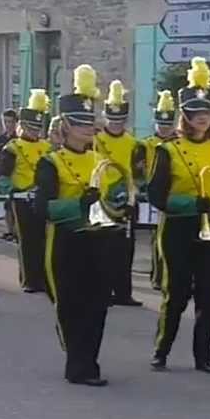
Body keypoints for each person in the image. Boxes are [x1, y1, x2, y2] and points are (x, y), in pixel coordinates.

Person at [35, 65, 121, 387]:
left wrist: (122, 201)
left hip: (99, 240)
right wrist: (79, 204)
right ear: (66, 125)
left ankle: (89, 362)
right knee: (71, 304)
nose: (89, 128)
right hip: (66, 241)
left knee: (98, 305)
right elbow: (42, 207)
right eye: (81, 123)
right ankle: (77, 362)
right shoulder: (50, 162)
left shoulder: (102, 160)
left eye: (91, 122)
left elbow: (115, 199)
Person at [147, 58, 210, 374]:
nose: (202, 119)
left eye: (206, 113)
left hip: (209, 231)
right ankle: (162, 349)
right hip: (178, 230)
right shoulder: (168, 150)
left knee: (208, 296)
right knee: (177, 293)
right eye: (196, 114)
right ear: (185, 116)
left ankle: (203, 355)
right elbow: (156, 195)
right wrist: (190, 205)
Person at [0, 90, 52, 294]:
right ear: (22, 126)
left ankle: (45, 278)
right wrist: (10, 190)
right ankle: (29, 279)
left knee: (45, 240)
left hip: (42, 198)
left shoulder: (48, 147)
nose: (34, 131)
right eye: (30, 127)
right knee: (28, 240)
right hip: (22, 198)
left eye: (38, 127)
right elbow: (1, 175)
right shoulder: (12, 148)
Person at [92, 80, 142, 307]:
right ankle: (103, 290)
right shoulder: (96, 140)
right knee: (103, 248)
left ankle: (123, 293)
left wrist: (134, 193)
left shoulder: (133, 142)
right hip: (102, 199)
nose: (115, 124)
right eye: (111, 120)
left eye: (119, 120)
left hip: (126, 199)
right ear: (105, 118)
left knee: (125, 249)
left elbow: (139, 171)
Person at [136, 90, 178, 291]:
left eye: (168, 125)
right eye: (161, 125)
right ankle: (157, 275)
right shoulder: (145, 144)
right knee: (157, 237)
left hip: (175, 192)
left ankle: (171, 275)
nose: (164, 129)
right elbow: (137, 169)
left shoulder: (178, 144)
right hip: (153, 193)